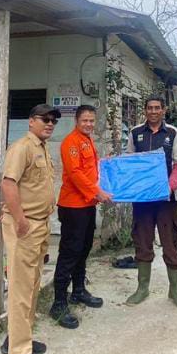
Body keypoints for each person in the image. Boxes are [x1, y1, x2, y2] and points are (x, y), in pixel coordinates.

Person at [0, 103, 61, 354]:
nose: (49, 124)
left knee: (32, 284)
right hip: (24, 227)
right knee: (21, 287)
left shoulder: (42, 147)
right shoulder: (22, 147)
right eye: (45, 119)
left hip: (40, 225)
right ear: (31, 121)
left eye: (53, 121)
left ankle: (16, 337)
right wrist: (21, 220)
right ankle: (18, 353)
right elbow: (8, 184)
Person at [125, 96, 177, 310]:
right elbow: (130, 163)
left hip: (166, 200)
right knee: (142, 242)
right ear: (145, 110)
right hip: (142, 201)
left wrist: (169, 186)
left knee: (170, 242)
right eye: (150, 108)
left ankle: (175, 291)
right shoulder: (135, 133)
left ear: (164, 110)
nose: (153, 111)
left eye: (157, 108)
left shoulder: (172, 133)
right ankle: (142, 289)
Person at [53, 105, 113, 329]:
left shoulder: (87, 141)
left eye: (91, 120)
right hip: (73, 206)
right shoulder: (71, 143)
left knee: (84, 249)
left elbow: (92, 171)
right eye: (85, 120)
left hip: (87, 205)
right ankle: (59, 302)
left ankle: (78, 291)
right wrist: (98, 192)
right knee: (69, 253)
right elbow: (76, 174)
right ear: (77, 121)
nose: (88, 124)